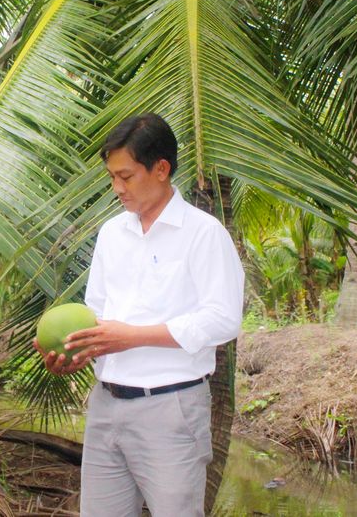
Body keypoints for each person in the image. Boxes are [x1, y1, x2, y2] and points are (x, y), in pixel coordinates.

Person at [37, 113, 244, 517]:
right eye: (112, 177)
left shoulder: (203, 234)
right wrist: (75, 351)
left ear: (162, 169)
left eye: (126, 176)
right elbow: (96, 313)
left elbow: (223, 319)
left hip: (171, 408)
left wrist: (133, 337)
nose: (117, 188)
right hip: (106, 403)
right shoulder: (113, 233)